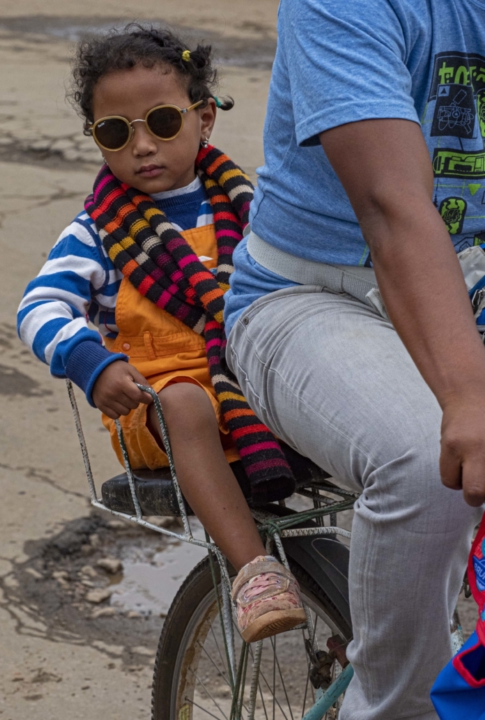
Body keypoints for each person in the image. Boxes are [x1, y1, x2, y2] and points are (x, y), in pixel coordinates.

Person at [223, 0, 485, 718]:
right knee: (424, 460)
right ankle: (392, 707)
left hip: (468, 289)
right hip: (306, 294)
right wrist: (468, 396)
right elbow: (390, 204)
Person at [17, 24, 306, 644]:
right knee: (184, 402)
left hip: (247, 382)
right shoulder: (95, 232)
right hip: (157, 409)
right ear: (97, 138)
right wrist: (90, 362)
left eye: (163, 123)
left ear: (205, 119)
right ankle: (254, 572)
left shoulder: (253, 206)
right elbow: (40, 306)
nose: (143, 146)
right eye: (116, 133)